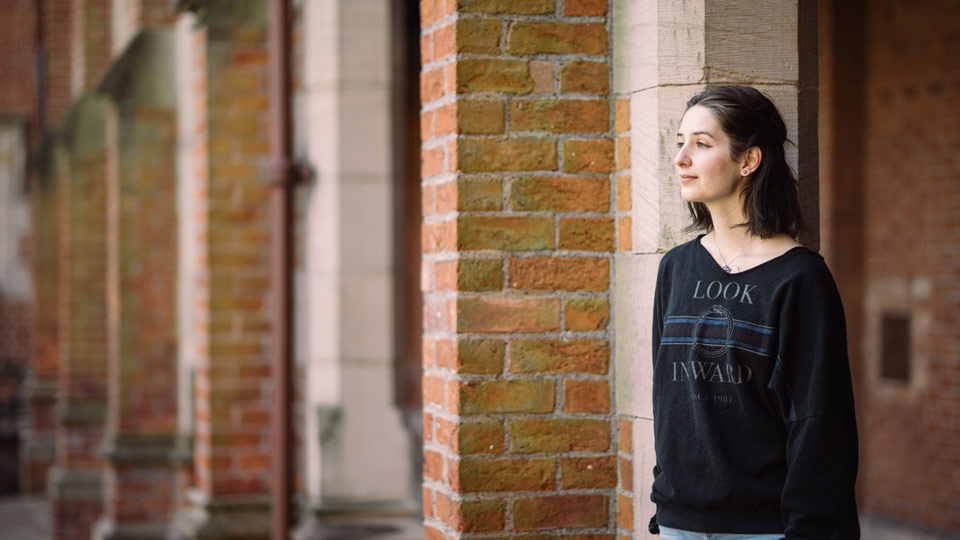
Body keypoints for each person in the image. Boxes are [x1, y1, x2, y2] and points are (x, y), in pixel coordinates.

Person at [648, 85, 860, 540]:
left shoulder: (800, 278)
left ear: (748, 160)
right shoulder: (676, 268)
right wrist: (666, 497)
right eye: (680, 142)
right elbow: (668, 397)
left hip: (765, 527)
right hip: (679, 523)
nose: (681, 158)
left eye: (701, 144)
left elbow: (820, 420)